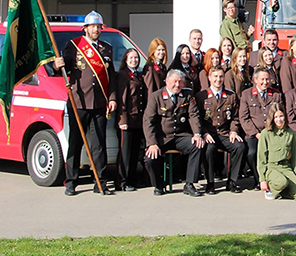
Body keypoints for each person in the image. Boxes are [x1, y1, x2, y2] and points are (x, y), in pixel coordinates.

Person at [53, 10, 116, 196]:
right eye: (93, 26)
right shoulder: (74, 46)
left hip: (99, 103)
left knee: (99, 145)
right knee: (75, 143)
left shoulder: (106, 49)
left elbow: (110, 76)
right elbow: (63, 70)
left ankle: (100, 181)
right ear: (85, 28)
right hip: (78, 102)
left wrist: (111, 98)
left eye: (98, 27)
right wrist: (57, 65)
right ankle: (71, 182)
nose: (96, 30)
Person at [143, 69, 204, 196]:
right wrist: (152, 143)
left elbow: (193, 115)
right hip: (163, 137)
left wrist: (197, 134)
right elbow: (148, 121)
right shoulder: (156, 96)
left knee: (197, 146)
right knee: (150, 158)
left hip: (180, 136)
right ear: (166, 81)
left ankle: (189, 184)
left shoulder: (187, 94)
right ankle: (158, 185)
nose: (177, 85)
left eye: (180, 82)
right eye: (175, 81)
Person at [196, 66, 247, 194]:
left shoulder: (230, 96)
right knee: (209, 150)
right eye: (215, 77)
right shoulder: (201, 96)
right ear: (209, 78)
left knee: (240, 147)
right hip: (210, 135)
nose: (218, 80)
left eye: (221, 77)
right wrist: (204, 133)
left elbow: (236, 117)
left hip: (225, 133)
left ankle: (232, 181)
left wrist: (234, 131)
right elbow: (197, 119)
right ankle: (210, 183)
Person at [239, 68, 283, 190]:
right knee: (252, 152)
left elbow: (279, 115)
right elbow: (244, 117)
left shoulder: (276, 94)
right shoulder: (246, 94)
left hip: (271, 132)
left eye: (267, 79)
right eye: (262, 79)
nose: (265, 82)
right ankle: (258, 178)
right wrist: (256, 133)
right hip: (254, 134)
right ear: (255, 80)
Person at [257, 103, 296, 200]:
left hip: (286, 168)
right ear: (272, 118)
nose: (279, 120)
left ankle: (281, 191)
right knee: (281, 182)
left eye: (281, 116)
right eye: (276, 117)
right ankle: (272, 188)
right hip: (272, 168)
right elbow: (261, 158)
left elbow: (294, 157)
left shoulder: (290, 134)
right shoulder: (266, 133)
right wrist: (262, 180)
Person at [114, 47, 146, 191]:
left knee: (134, 152)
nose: (134, 60)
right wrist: (123, 120)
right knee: (125, 153)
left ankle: (131, 179)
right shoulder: (123, 75)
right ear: (126, 60)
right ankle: (122, 181)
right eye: (131, 58)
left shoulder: (138, 75)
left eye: (136, 58)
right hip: (126, 120)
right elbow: (121, 99)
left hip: (137, 120)